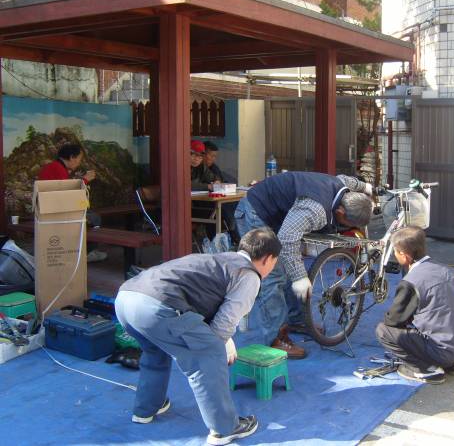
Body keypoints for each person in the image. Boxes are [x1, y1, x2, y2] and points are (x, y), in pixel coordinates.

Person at [114, 227, 281, 446]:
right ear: (268, 259)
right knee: (209, 354)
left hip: (126, 299)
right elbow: (223, 324)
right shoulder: (250, 276)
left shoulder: (222, 259)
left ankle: (146, 409)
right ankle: (224, 428)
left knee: (155, 352)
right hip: (159, 308)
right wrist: (221, 344)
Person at [234, 171, 373, 358]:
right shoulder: (315, 210)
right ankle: (276, 339)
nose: (346, 229)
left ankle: (297, 320)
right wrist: (299, 277)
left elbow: (347, 179)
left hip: (278, 215)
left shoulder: (342, 187)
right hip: (256, 212)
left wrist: (366, 187)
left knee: (290, 267)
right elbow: (287, 239)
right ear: (340, 212)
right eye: (346, 224)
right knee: (273, 276)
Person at [376, 226, 454, 384]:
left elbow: (394, 320)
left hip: (443, 350)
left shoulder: (411, 282)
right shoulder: (448, 271)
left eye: (395, 252)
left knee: (384, 331)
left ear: (404, 255)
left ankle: (426, 370)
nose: (395, 256)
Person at [37, 143, 107, 263]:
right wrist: (85, 180)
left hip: (50, 208)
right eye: (79, 159)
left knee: (90, 215)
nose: (79, 162)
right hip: (56, 210)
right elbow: (68, 194)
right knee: (94, 218)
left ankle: (85, 251)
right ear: (71, 157)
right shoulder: (58, 169)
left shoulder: (53, 167)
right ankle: (87, 253)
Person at [203, 141, 240, 245]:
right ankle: (234, 235)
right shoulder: (198, 168)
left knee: (235, 203)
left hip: (214, 200)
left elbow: (222, 181)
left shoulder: (213, 168)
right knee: (224, 207)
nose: (214, 159)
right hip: (202, 204)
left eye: (215, 156)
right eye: (212, 156)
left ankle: (236, 234)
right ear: (204, 153)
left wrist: (220, 183)